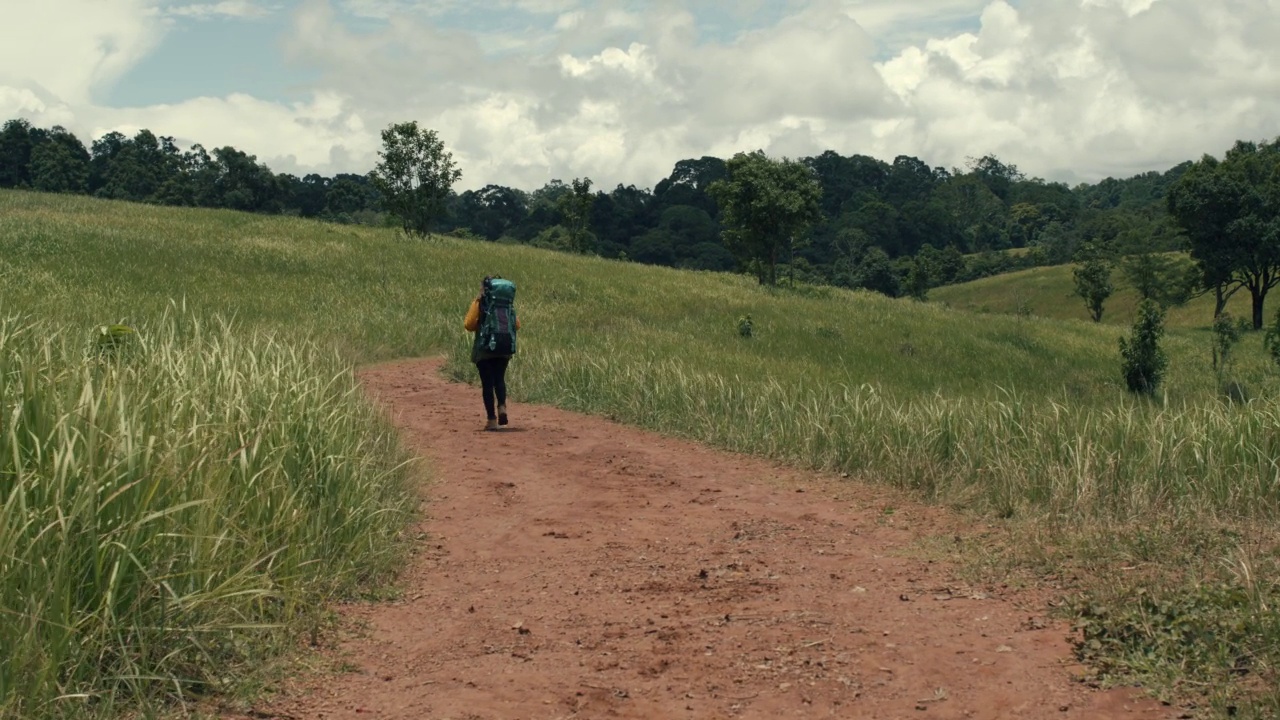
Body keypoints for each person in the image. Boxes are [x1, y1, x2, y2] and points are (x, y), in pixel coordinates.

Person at [463, 276, 521, 431]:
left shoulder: (481, 303)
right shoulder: (507, 305)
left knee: (487, 384)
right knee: (499, 379)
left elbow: (468, 324)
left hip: (485, 349)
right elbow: (517, 325)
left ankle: (491, 420)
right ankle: (502, 406)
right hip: (504, 348)